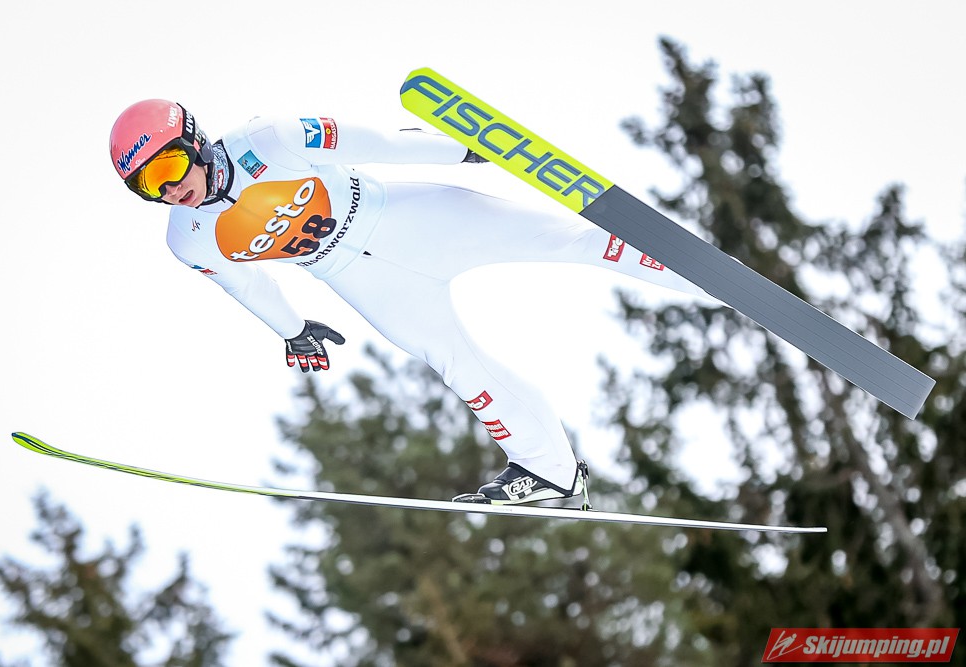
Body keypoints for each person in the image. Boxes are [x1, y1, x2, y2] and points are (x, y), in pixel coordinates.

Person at [109, 99, 716, 506]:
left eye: (171, 165)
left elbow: (378, 144)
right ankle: (550, 470)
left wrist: (464, 150)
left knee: (567, 241)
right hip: (362, 281)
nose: (171, 188)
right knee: (455, 363)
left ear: (194, 140)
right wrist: (291, 330)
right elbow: (246, 285)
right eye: (149, 185)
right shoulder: (188, 239)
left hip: (411, 218)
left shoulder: (269, 140)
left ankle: (709, 280)